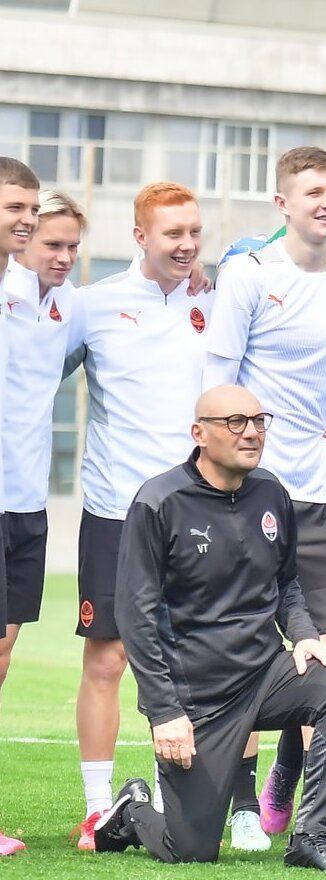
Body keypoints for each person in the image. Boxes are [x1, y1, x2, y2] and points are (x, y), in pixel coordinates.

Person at [92, 385, 326, 871]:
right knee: (190, 849)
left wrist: (304, 635)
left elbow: (286, 584)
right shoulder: (159, 502)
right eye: (235, 422)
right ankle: (134, 810)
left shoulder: (271, 492)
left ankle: (312, 835)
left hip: (264, 673)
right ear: (199, 434)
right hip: (198, 695)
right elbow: (136, 617)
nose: (252, 432)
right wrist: (164, 712)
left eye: (259, 421)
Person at [207, 146, 326, 841]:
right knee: (244, 644)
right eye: (313, 192)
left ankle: (318, 807)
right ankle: (242, 808)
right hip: (247, 495)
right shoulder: (249, 274)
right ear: (282, 203)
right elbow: (218, 383)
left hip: (321, 496)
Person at [62, 181, 217, 849]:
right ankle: (99, 808)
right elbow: (33, 371)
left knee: (187, 663)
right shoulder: (92, 305)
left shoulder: (217, 299)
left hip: (196, 511)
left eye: (194, 232)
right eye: (172, 233)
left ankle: (170, 799)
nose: (186, 245)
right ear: (139, 237)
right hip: (115, 509)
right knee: (109, 658)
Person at [1, 190, 80, 705]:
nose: (65, 257)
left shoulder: (73, 303)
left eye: (73, 247)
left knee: (4, 650)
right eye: (53, 244)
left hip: (28, 501)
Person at [0, 155, 40, 858]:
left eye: (32, 208)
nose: (28, 220)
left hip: (22, 500)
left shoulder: (23, 288)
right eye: (15, 207)